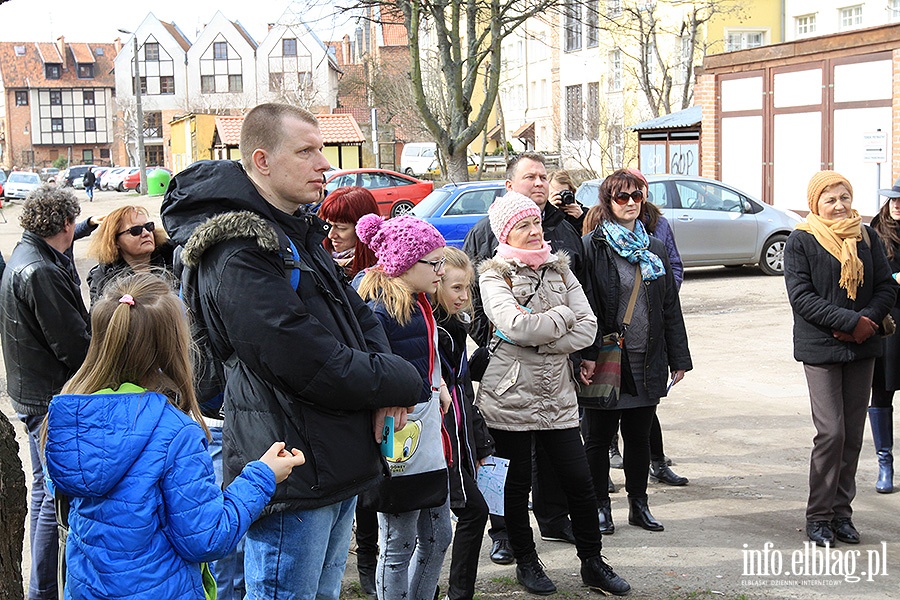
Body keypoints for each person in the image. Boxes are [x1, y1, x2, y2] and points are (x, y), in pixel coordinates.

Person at [161, 103, 423, 600]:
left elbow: (360, 316)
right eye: (306, 151)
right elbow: (307, 361)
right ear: (261, 161)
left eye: (321, 149)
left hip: (334, 456)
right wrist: (402, 380)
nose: (323, 163)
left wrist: (387, 389)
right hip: (292, 464)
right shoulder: (237, 252)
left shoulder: (295, 232)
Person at [44, 272, 306, 598]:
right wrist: (262, 476)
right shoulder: (175, 433)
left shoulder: (69, 419)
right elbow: (205, 537)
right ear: (173, 345)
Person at [476, 191, 630, 596]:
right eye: (522, 225)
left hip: (558, 393)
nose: (533, 231)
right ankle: (527, 562)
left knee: (579, 481)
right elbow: (512, 322)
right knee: (516, 483)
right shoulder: (495, 274)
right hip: (509, 393)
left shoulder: (560, 269)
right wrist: (561, 318)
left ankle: (593, 563)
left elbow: (588, 327)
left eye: (535, 223)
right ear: (506, 232)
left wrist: (539, 335)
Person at [463, 152, 581, 564]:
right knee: (509, 468)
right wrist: (497, 342)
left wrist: (571, 343)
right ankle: (504, 536)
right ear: (510, 183)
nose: (540, 183)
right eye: (530, 176)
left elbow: (586, 310)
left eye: (544, 176)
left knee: (557, 461)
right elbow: (476, 300)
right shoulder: (485, 233)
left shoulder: (564, 231)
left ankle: (553, 517)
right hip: (507, 368)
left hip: (557, 371)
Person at [784, 170, 896, 546]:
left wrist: (868, 322)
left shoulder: (867, 236)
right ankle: (818, 517)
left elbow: (886, 286)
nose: (839, 205)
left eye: (844, 197)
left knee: (851, 435)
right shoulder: (801, 240)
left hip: (863, 345)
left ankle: (841, 514)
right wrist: (850, 322)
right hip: (821, 347)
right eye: (830, 199)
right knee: (831, 433)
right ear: (815, 202)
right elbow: (801, 297)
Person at [579, 169, 692, 537]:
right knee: (598, 439)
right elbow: (586, 305)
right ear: (608, 202)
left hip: (648, 357)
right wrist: (587, 353)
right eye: (622, 197)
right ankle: (599, 507)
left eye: (636, 196)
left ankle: (638, 504)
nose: (630, 203)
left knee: (640, 437)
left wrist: (679, 358)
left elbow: (669, 307)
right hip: (609, 359)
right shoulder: (592, 246)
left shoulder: (654, 247)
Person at [355, 214, 453, 600]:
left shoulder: (420, 304)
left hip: (428, 436)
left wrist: (439, 381)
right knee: (398, 541)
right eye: (434, 263)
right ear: (404, 263)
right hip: (400, 442)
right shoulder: (380, 311)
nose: (441, 272)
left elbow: (423, 357)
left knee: (439, 535)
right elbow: (372, 370)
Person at [0, 185, 90, 600]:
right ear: (66, 225)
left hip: (32, 393)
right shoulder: (41, 271)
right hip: (47, 401)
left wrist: (85, 231)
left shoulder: (30, 255)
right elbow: (73, 345)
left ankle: (42, 590)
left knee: (43, 495)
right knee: (53, 504)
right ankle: (45, 591)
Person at [318, 185, 381, 597]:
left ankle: (372, 567)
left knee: (374, 495)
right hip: (332, 394)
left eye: (342, 227)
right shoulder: (320, 263)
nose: (333, 235)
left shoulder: (381, 275)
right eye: (329, 226)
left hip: (371, 395)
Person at [433, 247, 494, 600]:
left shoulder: (455, 324)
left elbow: (460, 388)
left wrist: (480, 437)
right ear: (436, 281)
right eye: (457, 287)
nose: (465, 296)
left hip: (459, 435)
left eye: (468, 288)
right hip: (436, 439)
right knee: (471, 512)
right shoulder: (430, 326)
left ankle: (455, 591)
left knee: (464, 515)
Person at [869, 176, 900, 494]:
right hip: (889, 321)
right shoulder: (875, 233)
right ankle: (884, 463)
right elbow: (872, 276)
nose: (897, 205)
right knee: (881, 392)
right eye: (894, 199)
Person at [86, 205, 175, 308]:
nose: (146, 233)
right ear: (115, 241)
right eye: (135, 230)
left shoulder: (174, 256)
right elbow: (100, 318)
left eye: (148, 227)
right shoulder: (103, 278)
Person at [319, 185, 379, 280]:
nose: (331, 235)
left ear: (365, 229)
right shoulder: (317, 259)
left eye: (341, 228)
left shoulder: (380, 272)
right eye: (328, 225)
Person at [547, 169, 586, 233]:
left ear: (572, 191)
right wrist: (550, 212)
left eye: (564, 193)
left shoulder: (585, 213)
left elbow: (590, 239)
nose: (560, 197)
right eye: (555, 194)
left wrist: (582, 219)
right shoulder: (540, 216)